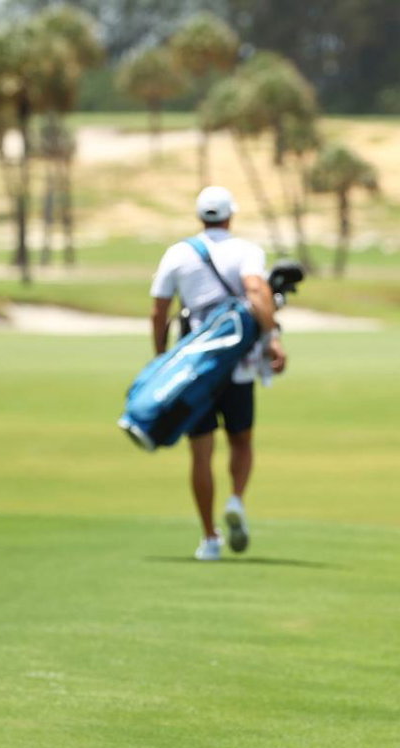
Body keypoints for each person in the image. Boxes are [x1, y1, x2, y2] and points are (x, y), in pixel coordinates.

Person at [148, 186, 287, 561]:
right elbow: (257, 292)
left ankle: (209, 537)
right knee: (241, 440)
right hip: (238, 366)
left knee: (201, 453)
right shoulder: (246, 251)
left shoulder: (177, 253)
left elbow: (159, 312)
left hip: (196, 371)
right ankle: (237, 500)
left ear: (200, 216)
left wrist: (162, 362)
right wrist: (272, 339)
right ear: (230, 215)